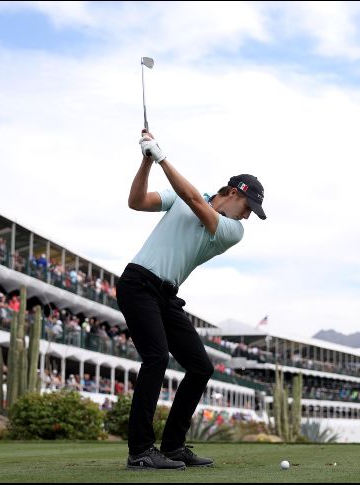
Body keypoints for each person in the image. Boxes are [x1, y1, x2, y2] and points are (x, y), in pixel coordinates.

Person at [116, 129, 265, 471]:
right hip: (138, 283)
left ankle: (173, 446)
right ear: (232, 193)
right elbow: (136, 201)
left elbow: (196, 201)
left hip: (166, 295)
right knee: (156, 357)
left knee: (201, 367)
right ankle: (140, 451)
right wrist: (147, 161)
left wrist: (161, 157)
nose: (248, 216)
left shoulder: (233, 230)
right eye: (248, 207)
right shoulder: (181, 196)